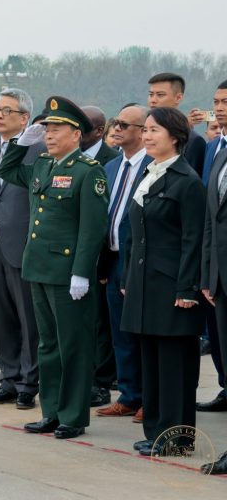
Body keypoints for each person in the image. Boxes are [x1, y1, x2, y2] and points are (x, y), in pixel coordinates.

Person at [0, 96, 108, 440]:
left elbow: (92, 229)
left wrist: (81, 271)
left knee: (72, 345)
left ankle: (73, 416)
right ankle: (51, 412)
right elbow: (6, 171)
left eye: (57, 128)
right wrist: (20, 143)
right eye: (46, 128)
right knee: (47, 345)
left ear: (76, 134)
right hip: (39, 268)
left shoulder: (88, 172)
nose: (49, 134)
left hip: (67, 273)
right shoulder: (44, 165)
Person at [120, 107, 205, 456]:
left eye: (155, 130)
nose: (148, 136)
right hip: (144, 285)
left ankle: (177, 437)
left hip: (172, 287)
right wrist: (129, 277)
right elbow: (135, 235)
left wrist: (187, 288)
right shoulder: (149, 174)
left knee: (174, 366)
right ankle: (155, 431)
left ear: (175, 136)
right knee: (152, 362)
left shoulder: (186, 181)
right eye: (147, 130)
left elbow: (193, 240)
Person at [0, 88, 41, 409]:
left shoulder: (39, 150)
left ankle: (29, 382)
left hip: (24, 246)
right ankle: (8, 380)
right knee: (0, 318)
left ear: (24, 118)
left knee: (28, 319)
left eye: (7, 111)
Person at [96, 104, 151, 422]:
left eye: (123, 125)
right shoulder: (113, 167)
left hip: (139, 262)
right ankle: (129, 396)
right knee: (119, 332)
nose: (115, 129)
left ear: (143, 130)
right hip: (113, 260)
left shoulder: (153, 167)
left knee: (141, 333)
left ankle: (148, 398)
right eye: (114, 123)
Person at [81, 105, 121, 408]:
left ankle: (102, 380)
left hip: (105, 254)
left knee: (103, 323)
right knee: (87, 321)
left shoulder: (111, 160)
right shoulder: (70, 160)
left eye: (82, 126)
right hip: (79, 251)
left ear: (98, 131)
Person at [201, 82, 227, 475]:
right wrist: (208, 275)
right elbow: (211, 221)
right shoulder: (219, 153)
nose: (220, 109)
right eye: (217, 102)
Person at [147, 72, 207, 176]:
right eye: (151, 94)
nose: (153, 100)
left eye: (160, 95)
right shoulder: (143, 134)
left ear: (178, 98)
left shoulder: (193, 140)